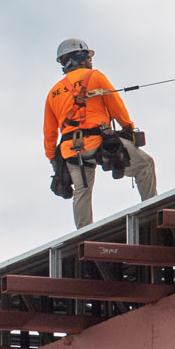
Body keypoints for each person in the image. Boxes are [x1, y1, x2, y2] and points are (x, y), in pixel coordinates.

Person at [43, 37, 157, 228]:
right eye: (88, 56)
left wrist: (53, 159)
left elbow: (49, 132)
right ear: (79, 57)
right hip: (100, 143)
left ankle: (83, 233)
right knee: (145, 165)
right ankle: (153, 211)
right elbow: (116, 107)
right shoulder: (95, 77)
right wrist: (128, 128)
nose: (90, 60)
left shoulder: (53, 93)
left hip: (71, 151)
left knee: (82, 191)